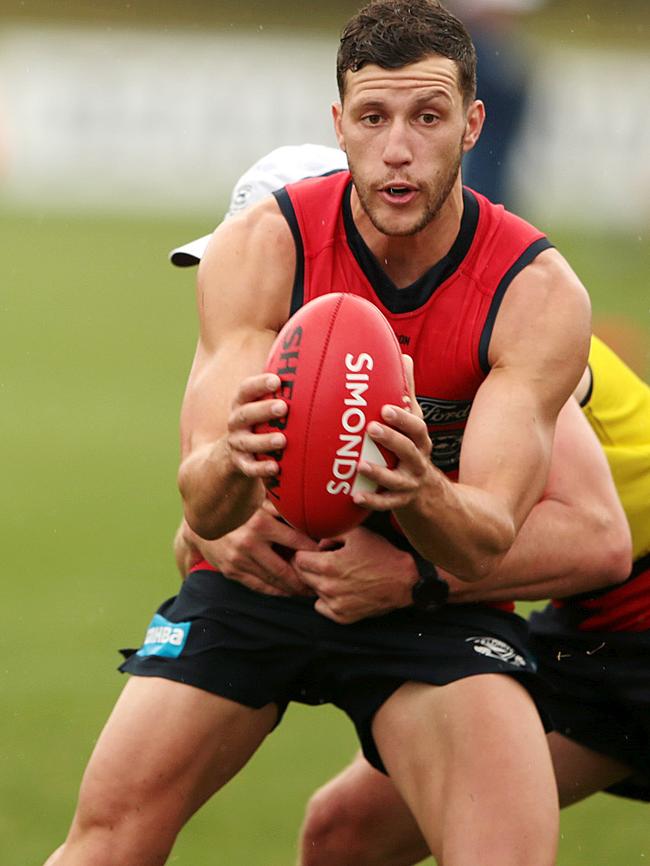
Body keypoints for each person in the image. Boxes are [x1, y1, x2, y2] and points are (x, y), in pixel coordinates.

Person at [46, 3, 601, 864]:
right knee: (108, 840)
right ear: (339, 125)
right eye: (373, 119)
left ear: (473, 124)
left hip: (427, 601)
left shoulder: (534, 293)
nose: (400, 148)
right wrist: (235, 460)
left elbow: (489, 535)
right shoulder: (262, 245)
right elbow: (201, 498)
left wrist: (420, 496)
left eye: (427, 117)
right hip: (262, 583)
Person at [293, 337, 650, 866]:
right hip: (603, 628)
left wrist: (411, 576)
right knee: (345, 834)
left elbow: (601, 543)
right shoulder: (354, 356)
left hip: (629, 613)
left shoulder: (510, 333)